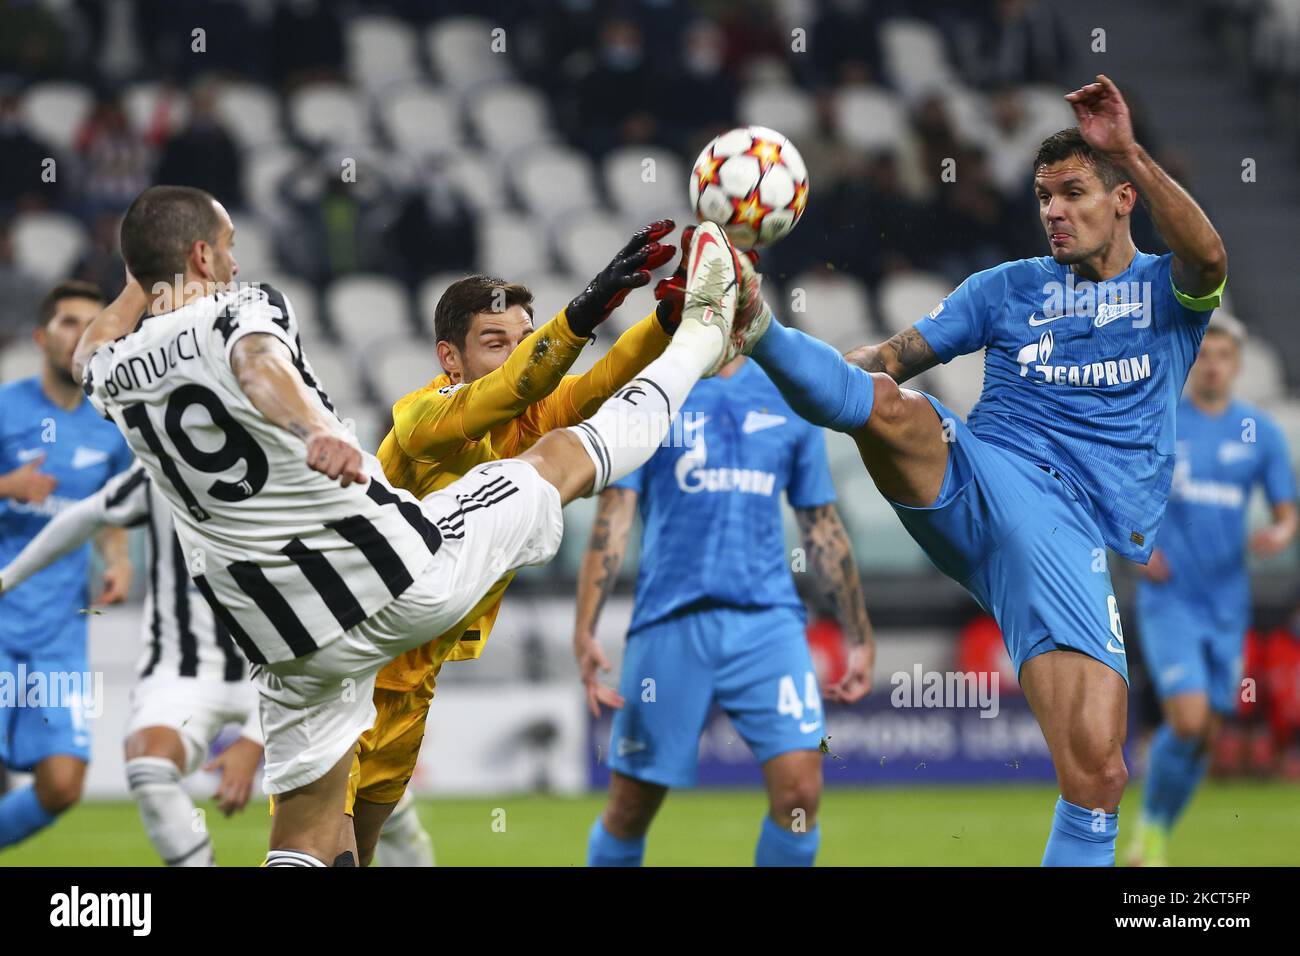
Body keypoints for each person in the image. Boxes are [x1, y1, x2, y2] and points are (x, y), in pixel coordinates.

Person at [72, 183, 746, 866]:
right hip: (388, 589)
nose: (238, 263)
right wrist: (310, 427)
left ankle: (685, 327)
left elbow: (90, 349)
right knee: (565, 460)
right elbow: (259, 365)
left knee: (321, 849)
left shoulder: (112, 369)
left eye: (523, 338)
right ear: (202, 255)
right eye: (228, 248)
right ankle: (704, 336)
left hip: (297, 639)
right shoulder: (355, 374)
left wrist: (654, 318)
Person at [726, 75, 1228, 866]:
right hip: (987, 475)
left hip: (1068, 534)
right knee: (887, 401)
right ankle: (757, 325)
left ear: (1125, 197)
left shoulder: (1164, 293)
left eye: (1073, 192)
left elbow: (1208, 256)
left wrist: (1129, 145)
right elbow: (885, 359)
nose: (1053, 211)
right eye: (1042, 196)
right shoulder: (1006, 288)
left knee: (1097, 775)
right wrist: (831, 368)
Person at [350, 235, 684, 866]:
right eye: (495, 342)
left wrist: (668, 317)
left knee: (360, 854)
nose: (517, 355)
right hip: (351, 668)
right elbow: (507, 388)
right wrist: (583, 313)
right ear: (449, 357)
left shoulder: (527, 421)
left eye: (524, 338)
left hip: (413, 680)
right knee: (321, 850)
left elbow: (607, 378)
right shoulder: (422, 420)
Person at [574, 333, 875, 867]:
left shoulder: (790, 392)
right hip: (670, 621)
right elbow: (615, 514)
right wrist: (585, 630)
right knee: (630, 807)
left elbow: (821, 525)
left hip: (768, 625)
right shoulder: (653, 389)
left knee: (800, 795)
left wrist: (858, 633)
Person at [1128, 316, 1297, 865]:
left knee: (1206, 734)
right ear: (1191, 360)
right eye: (1204, 355)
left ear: (1238, 364)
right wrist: (1138, 546)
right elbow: (1120, 494)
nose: (1213, 364)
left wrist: (1280, 531)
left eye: (1224, 355)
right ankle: (1149, 833)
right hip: (1171, 600)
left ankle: (1154, 833)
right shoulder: (1163, 421)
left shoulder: (1258, 432)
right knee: (1189, 719)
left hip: (1228, 604)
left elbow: (1286, 511)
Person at [0, 280, 134, 851]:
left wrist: (119, 558)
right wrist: (9, 485)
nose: (81, 334)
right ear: (41, 337)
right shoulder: (5, 406)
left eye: (90, 323)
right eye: (68, 323)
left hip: (59, 632)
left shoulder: (108, 426)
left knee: (62, 784)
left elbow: (108, 508)